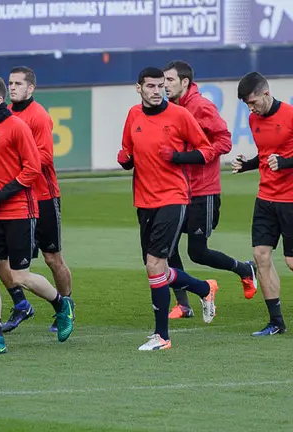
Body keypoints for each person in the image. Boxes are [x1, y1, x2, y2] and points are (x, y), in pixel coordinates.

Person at [0, 76, 74, 356]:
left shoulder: (18, 127)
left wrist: (2, 194)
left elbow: (33, 168)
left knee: (20, 276)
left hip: (20, 212)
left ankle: (61, 304)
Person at [117, 67, 219, 351]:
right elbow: (128, 153)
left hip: (173, 198)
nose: (156, 91)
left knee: (154, 265)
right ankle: (203, 288)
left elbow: (208, 150)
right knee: (156, 268)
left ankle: (162, 336)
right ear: (139, 88)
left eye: (160, 85)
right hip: (144, 200)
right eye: (150, 86)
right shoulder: (133, 116)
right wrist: (124, 159)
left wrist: (177, 156)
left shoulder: (179, 115)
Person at [163, 60, 257, 320]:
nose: (165, 85)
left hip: (203, 191)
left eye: (169, 80)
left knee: (197, 252)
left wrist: (196, 155)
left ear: (184, 82)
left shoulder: (201, 106)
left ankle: (244, 269)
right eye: (163, 81)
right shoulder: (169, 108)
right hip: (177, 191)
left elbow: (224, 141)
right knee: (166, 247)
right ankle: (183, 304)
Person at [0, 65, 74, 334]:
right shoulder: (2, 115)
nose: (13, 87)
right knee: (0, 258)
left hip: (42, 196)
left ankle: (67, 307)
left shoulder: (38, 116)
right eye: (10, 83)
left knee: (53, 258)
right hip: (16, 199)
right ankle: (20, 304)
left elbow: (44, 159)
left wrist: (11, 163)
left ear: (31, 88)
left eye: (18, 83)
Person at [232, 71, 293, 336]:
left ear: (266, 94)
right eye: (247, 104)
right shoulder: (253, 119)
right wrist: (246, 165)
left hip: (290, 200)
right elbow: (266, 156)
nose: (250, 107)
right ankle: (276, 323)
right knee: (261, 255)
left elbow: (280, 158)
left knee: (291, 261)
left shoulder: (290, 116)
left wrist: (286, 162)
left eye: (253, 102)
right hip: (265, 199)